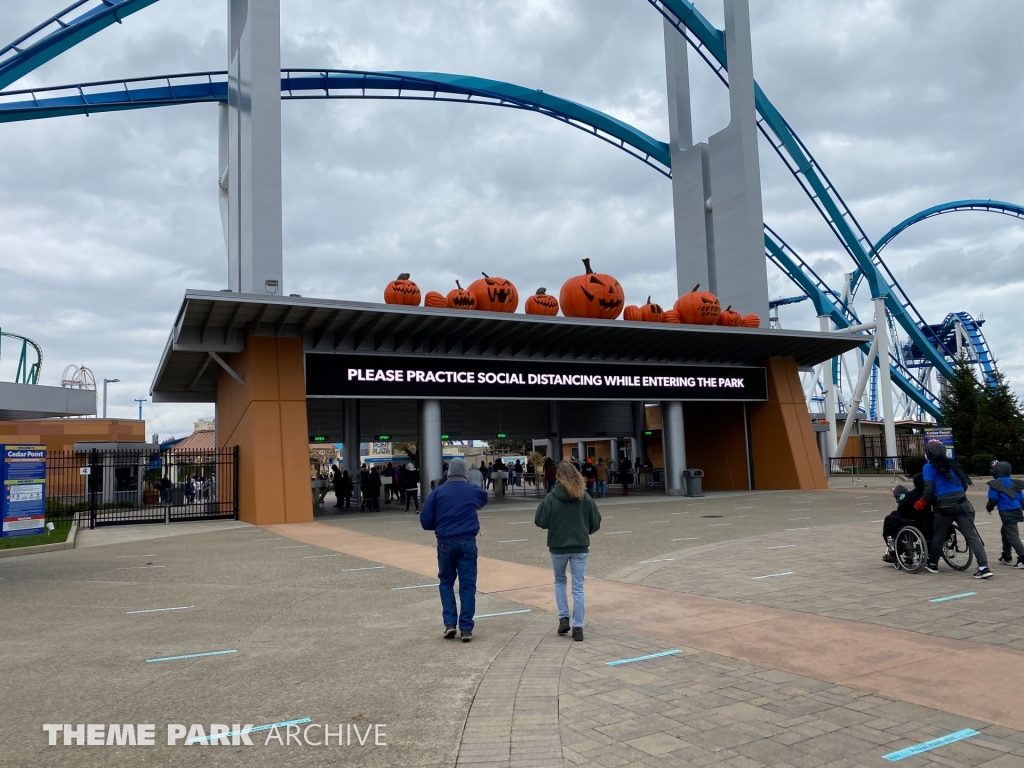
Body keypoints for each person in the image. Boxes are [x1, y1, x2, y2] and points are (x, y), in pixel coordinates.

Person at [420, 458, 489, 642]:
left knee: (446, 582)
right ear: (466, 472)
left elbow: (425, 520)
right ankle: (466, 628)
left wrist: (439, 524)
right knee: (467, 584)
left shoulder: (438, 492)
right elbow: (483, 499)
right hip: (467, 540)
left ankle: (450, 623)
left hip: (445, 542)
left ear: (449, 472)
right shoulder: (472, 490)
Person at [534, 461, 601, 642]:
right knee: (578, 587)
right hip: (580, 546)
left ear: (558, 477)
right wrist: (584, 531)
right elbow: (596, 521)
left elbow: (540, 520)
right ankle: (578, 626)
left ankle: (563, 617)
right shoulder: (584, 497)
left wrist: (554, 525)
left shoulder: (551, 497)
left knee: (560, 581)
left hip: (558, 546)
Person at [919, 440, 991, 578]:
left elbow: (929, 489)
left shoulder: (929, 467)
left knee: (939, 535)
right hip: (963, 503)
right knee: (971, 535)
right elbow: (964, 484)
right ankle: (983, 567)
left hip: (944, 505)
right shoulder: (952, 464)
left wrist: (922, 502)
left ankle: (933, 563)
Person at [881, 474, 931, 563]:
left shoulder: (912, 495)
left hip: (915, 522)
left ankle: (894, 549)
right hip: (930, 521)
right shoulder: (932, 493)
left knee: (889, 519)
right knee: (894, 515)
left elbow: (901, 509)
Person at [986, 461, 1024, 568]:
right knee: (1005, 531)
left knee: (1012, 535)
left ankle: (1022, 557)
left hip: (1006, 511)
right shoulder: (1014, 483)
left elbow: (993, 499)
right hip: (1017, 510)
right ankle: (1006, 555)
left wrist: (989, 508)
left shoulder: (995, 484)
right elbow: (1021, 499)